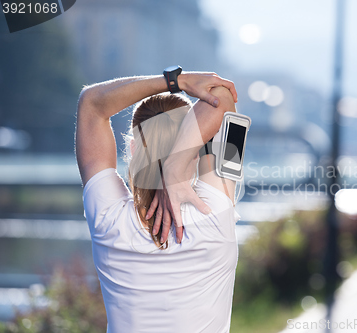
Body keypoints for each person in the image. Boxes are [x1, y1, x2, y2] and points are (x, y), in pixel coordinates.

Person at [76, 71, 241, 332]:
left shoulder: (107, 218)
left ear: (132, 150)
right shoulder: (217, 209)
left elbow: (91, 103)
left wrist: (176, 81)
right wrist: (175, 166)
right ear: (198, 149)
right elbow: (223, 96)